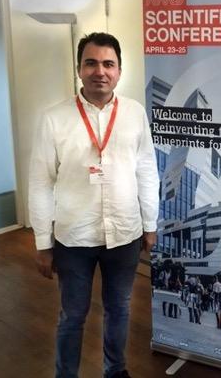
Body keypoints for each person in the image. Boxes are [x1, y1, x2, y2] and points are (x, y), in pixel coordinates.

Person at [29, 32, 159, 378]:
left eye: (108, 63)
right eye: (91, 63)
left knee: (119, 309)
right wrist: (43, 242)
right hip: (74, 239)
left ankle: (115, 371)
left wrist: (150, 223)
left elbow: (147, 169)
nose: (99, 71)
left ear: (119, 70)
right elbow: (40, 183)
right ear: (79, 69)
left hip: (125, 234)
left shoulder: (134, 113)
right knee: (72, 315)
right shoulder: (54, 118)